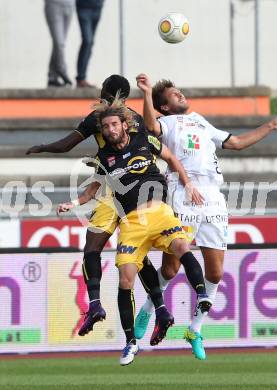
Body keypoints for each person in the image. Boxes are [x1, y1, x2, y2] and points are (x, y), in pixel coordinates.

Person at [135, 73, 277, 360]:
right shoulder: (167, 123)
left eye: (179, 90)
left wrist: (271, 125)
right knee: (170, 268)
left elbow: (236, 143)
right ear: (166, 107)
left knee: (216, 273)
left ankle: (195, 329)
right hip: (183, 190)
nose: (180, 94)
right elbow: (149, 125)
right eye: (174, 94)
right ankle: (149, 309)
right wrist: (147, 94)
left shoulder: (201, 120)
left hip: (213, 198)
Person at [59, 100, 211, 365]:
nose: (110, 129)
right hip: (131, 223)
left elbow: (171, 157)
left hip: (160, 212)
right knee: (126, 279)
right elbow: (93, 189)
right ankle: (131, 343)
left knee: (182, 247)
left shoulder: (144, 140)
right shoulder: (103, 158)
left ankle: (202, 296)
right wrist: (71, 204)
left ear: (123, 124)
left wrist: (187, 185)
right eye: (105, 126)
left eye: (114, 124)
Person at [26, 75, 168, 338]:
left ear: (105, 92)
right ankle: (161, 309)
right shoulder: (134, 117)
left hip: (111, 190)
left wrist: (43, 147)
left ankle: (94, 305)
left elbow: (68, 144)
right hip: (140, 192)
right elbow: (155, 147)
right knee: (137, 254)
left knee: (92, 249)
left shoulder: (100, 118)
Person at [44, 0, 74, 87]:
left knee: (59, 44)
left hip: (70, 5)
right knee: (59, 43)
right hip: (54, 5)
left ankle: (52, 77)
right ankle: (62, 70)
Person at [76, 0, 104, 88]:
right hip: (83, 7)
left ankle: (82, 78)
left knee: (90, 43)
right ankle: (81, 78)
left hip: (97, 7)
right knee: (87, 41)